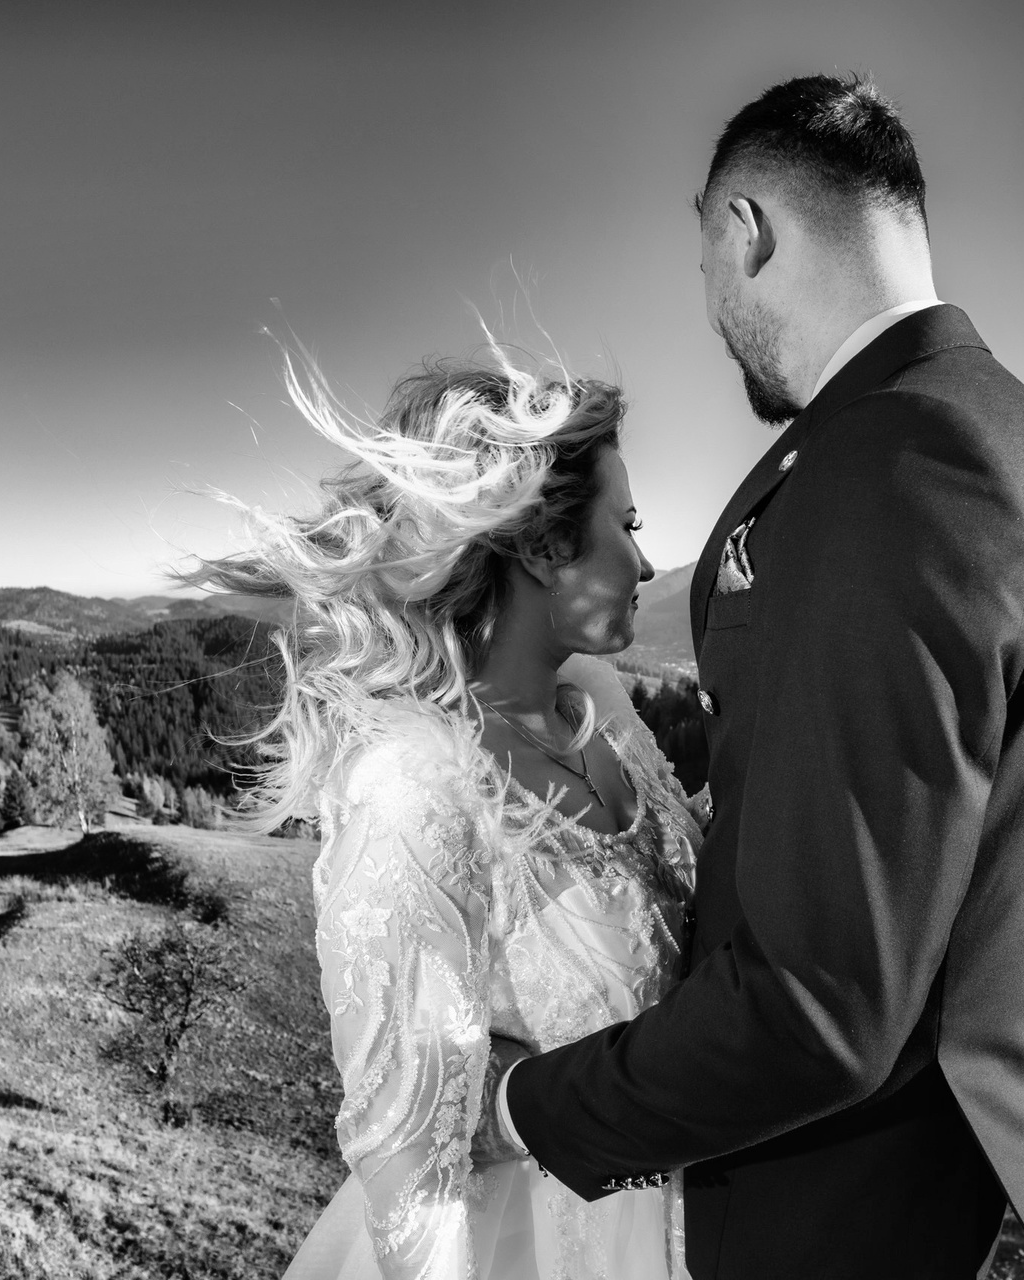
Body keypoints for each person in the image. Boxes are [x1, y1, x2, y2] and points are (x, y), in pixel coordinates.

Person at [485, 75, 1024, 1280]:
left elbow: (822, 1001)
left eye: (704, 271)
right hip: (938, 1181)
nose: (713, 317)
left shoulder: (895, 464)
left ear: (745, 230)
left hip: (851, 1209)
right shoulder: (1006, 429)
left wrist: (522, 1107)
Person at [206, 354, 703, 1280]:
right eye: (627, 525)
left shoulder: (603, 706)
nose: (644, 561)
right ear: (541, 545)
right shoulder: (415, 785)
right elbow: (408, 1163)